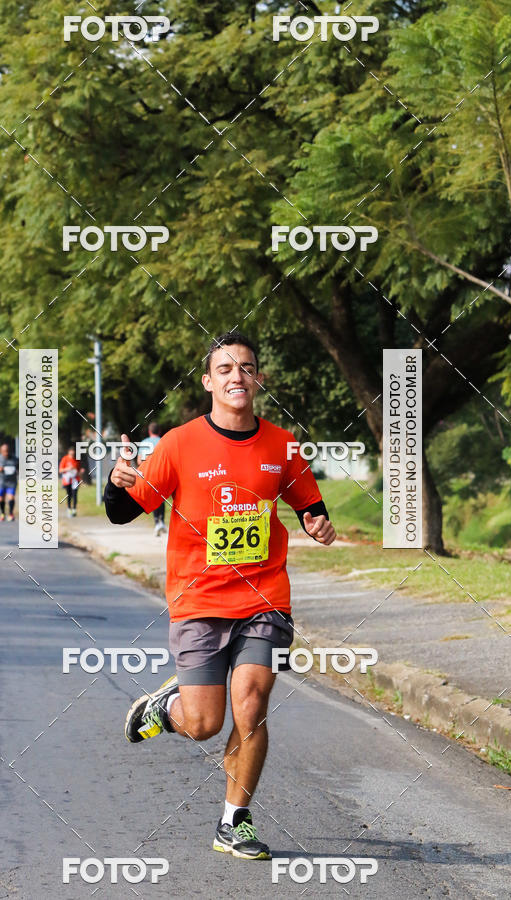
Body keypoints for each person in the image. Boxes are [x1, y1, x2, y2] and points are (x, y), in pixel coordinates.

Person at [104, 331, 336, 861]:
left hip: (265, 599)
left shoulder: (283, 445)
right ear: (209, 381)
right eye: (226, 369)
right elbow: (121, 511)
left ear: (259, 379)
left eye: (247, 368)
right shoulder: (180, 444)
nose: (238, 377)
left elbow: (310, 503)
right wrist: (117, 482)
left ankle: (235, 821)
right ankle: (167, 709)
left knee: (251, 704)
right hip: (199, 604)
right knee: (205, 724)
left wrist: (318, 523)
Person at [137, 423, 167, 535]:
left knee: (153, 497)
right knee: (162, 497)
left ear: (149, 432)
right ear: (159, 431)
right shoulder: (163, 441)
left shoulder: (144, 442)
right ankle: (162, 522)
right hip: (162, 473)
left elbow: (140, 461)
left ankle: (156, 523)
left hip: (149, 475)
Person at [0, 443, 19, 522]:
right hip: (2, 482)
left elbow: (20, 467)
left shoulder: (15, 459)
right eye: (4, 451)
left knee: (11, 497)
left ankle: (11, 513)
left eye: (7, 451)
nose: (6, 452)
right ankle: (2, 513)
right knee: (1, 498)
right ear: (1, 451)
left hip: (11, 482)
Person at [59, 447, 84, 517]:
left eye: (74, 451)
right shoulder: (65, 459)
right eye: (71, 451)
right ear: (69, 451)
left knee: (75, 494)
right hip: (67, 480)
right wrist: (68, 468)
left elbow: (78, 472)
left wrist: (81, 474)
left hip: (75, 480)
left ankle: (74, 509)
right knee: (69, 494)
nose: (72, 453)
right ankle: (69, 508)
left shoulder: (77, 460)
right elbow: (60, 470)